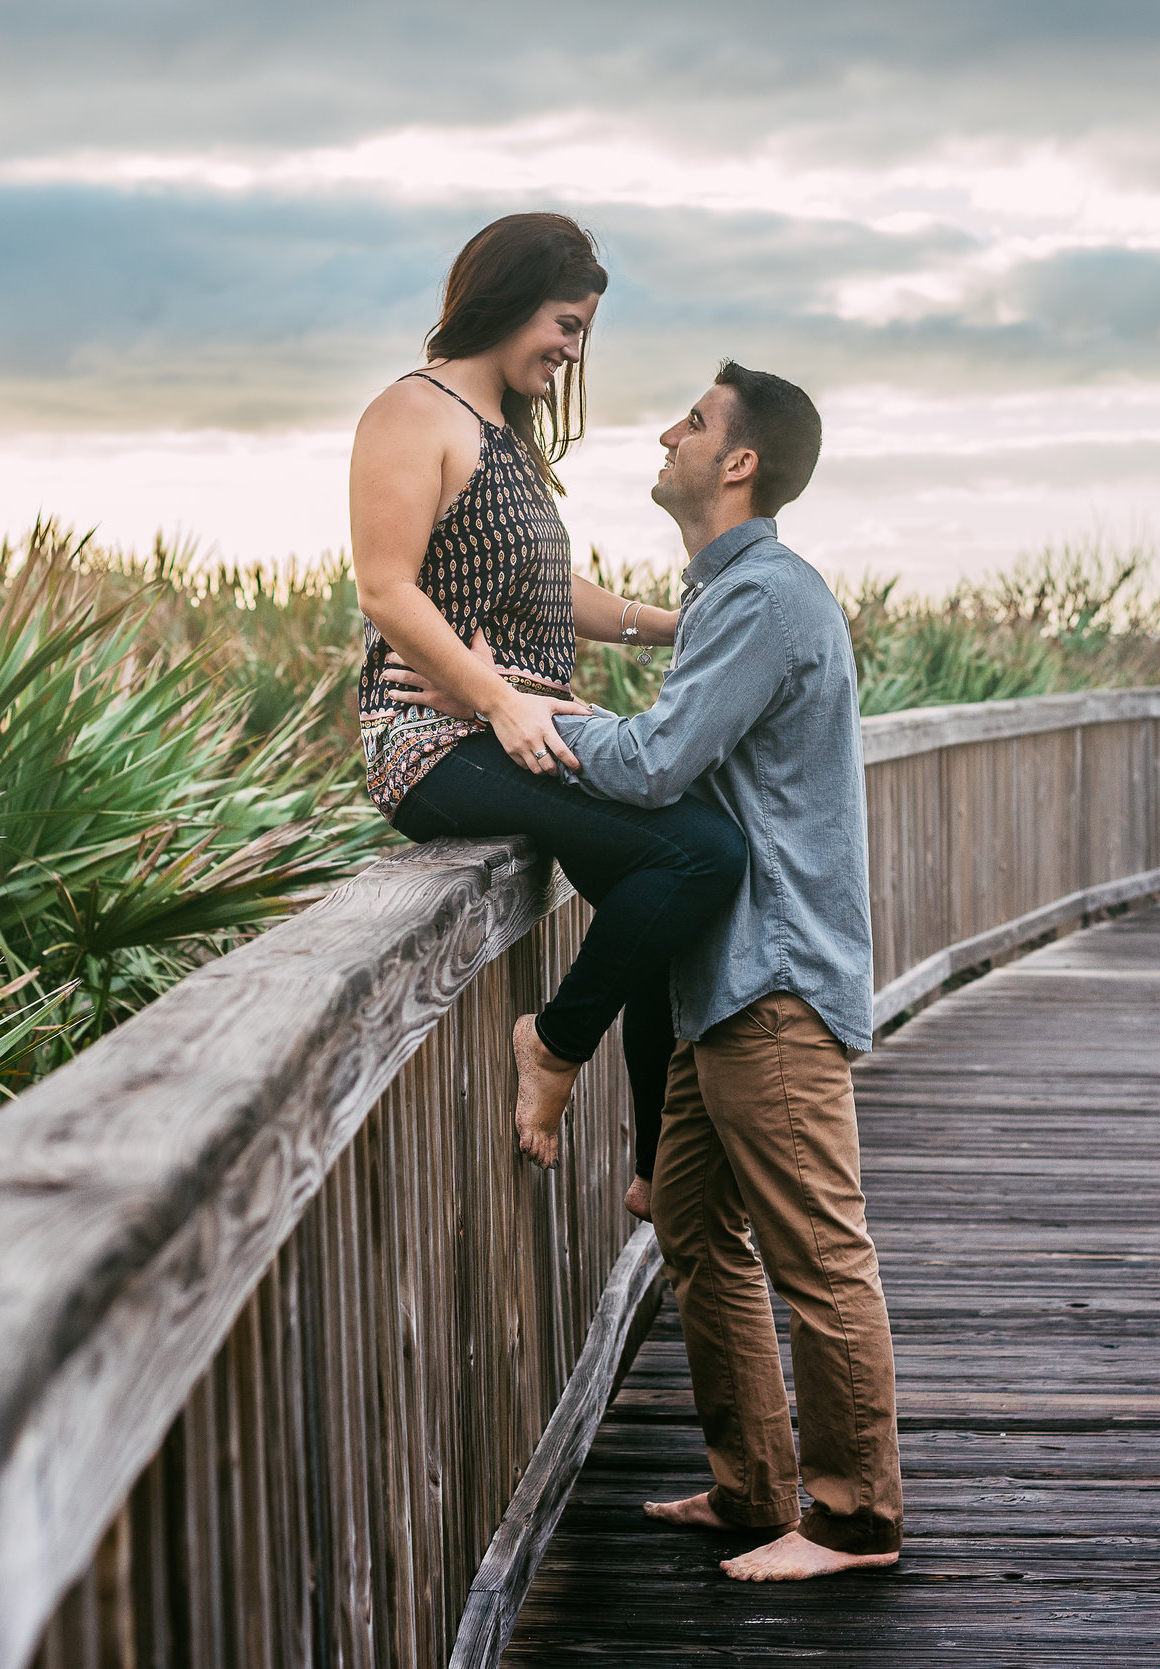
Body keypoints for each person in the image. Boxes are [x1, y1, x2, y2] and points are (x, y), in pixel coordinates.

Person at [389, 362, 903, 1581]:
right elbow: (690, 758)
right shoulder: (735, 597)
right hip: (723, 978)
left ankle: (853, 1518)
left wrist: (507, 703)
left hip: (771, 976)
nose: (667, 432)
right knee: (690, 1225)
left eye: (694, 421)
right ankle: (751, 1486)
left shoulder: (766, 595)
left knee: (819, 1255)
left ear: (738, 465)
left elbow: (663, 764)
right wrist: (548, 699)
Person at [352, 213, 745, 1207]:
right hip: (433, 742)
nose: (573, 351)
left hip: (524, 724)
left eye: (582, 333)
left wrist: (686, 626)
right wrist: (497, 703)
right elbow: (387, 590)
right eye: (565, 325)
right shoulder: (413, 412)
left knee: (664, 898)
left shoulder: (507, 441)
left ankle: (658, 1170)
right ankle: (554, 1044)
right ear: (511, 300)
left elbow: (554, 588)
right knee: (699, 852)